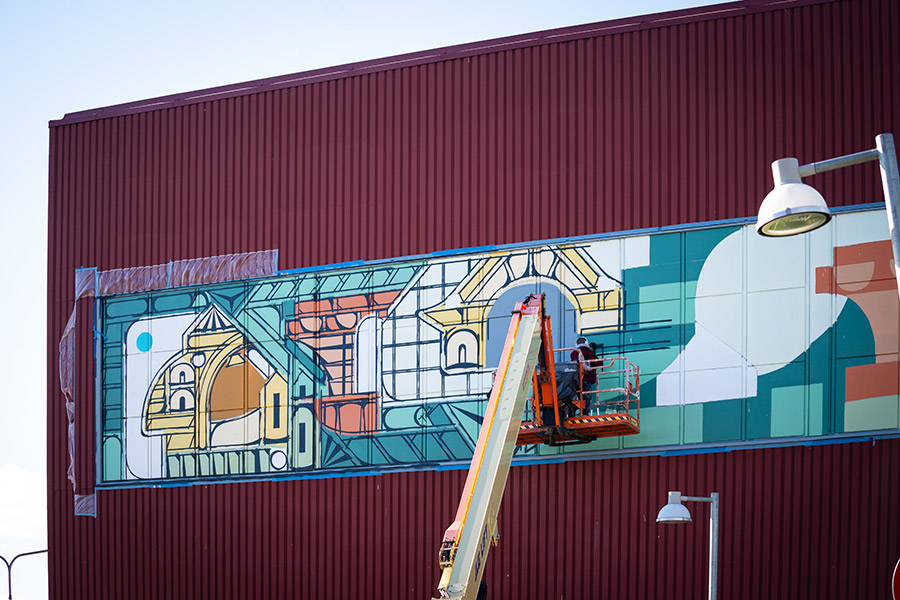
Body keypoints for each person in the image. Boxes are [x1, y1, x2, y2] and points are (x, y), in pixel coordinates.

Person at [570, 336, 597, 415]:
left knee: (578, 396)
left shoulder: (573, 353)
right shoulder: (590, 352)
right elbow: (598, 362)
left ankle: (576, 412)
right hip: (587, 379)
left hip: (577, 379)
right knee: (586, 397)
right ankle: (584, 413)